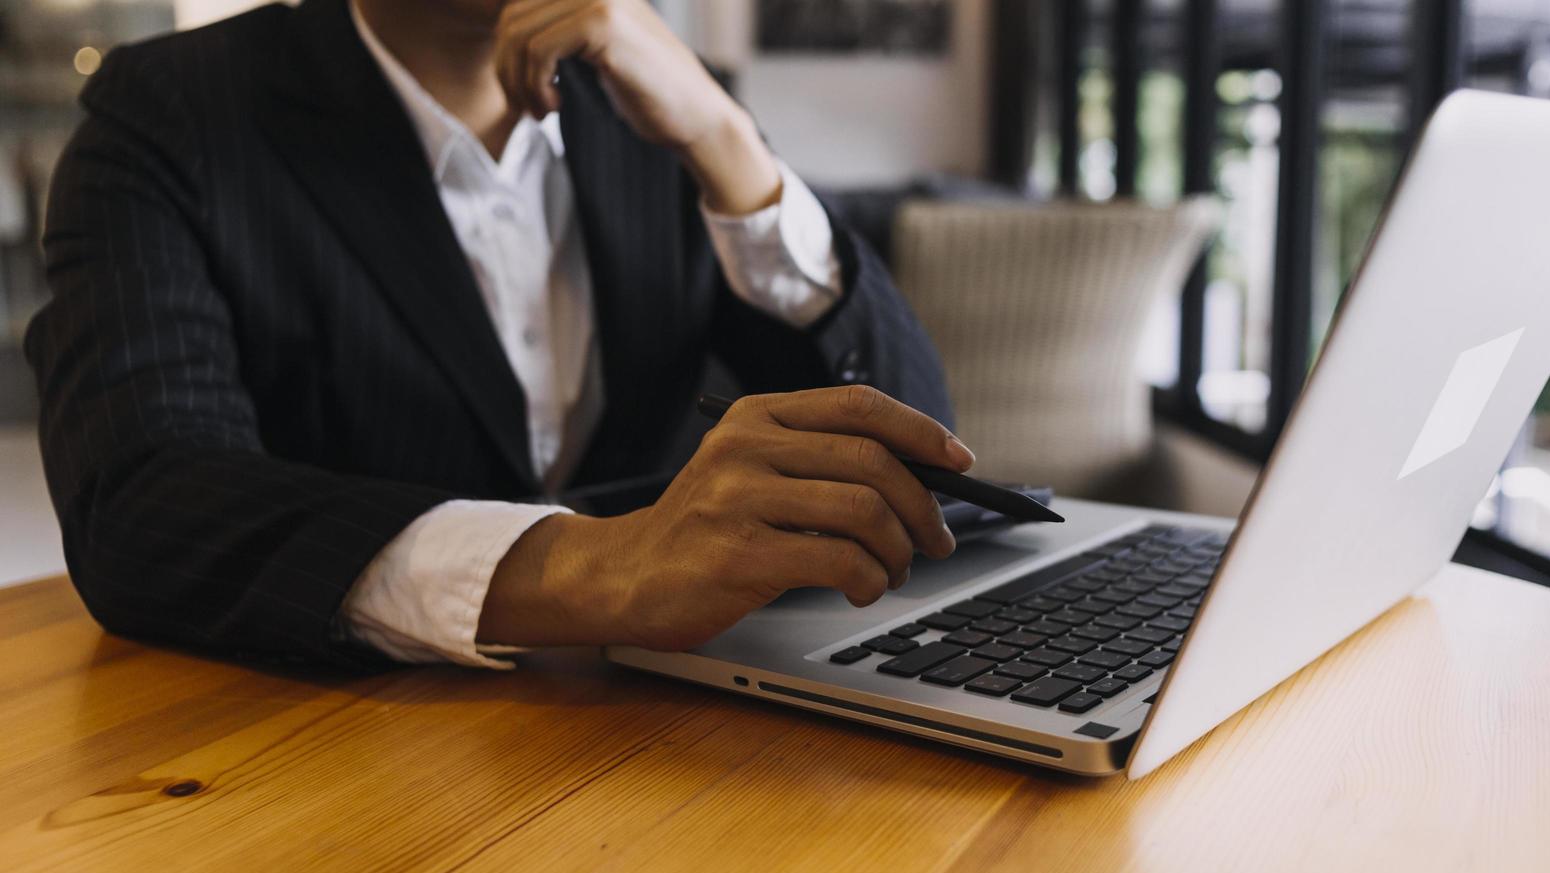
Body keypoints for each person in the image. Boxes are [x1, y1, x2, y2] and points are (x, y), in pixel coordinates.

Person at [24, 0, 966, 671]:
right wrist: (596, 569)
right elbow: (137, 507)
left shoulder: (668, 107)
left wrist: (728, 146)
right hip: (337, 757)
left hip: (673, 732)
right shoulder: (169, 111)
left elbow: (926, 459)